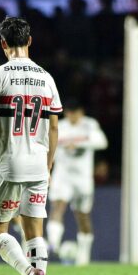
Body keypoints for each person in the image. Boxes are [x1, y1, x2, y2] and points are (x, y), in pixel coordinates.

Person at [0, 17, 62, 275]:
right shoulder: (46, 77)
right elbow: (54, 127)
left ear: (2, 43)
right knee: (34, 232)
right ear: (30, 41)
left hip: (8, 164)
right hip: (39, 164)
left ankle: (27, 272)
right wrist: (48, 165)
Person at [46, 100, 108, 265]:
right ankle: (53, 245)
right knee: (57, 207)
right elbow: (49, 147)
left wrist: (78, 143)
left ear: (81, 112)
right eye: (69, 113)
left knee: (82, 215)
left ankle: (84, 253)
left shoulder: (90, 125)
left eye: (75, 113)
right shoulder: (60, 126)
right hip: (63, 176)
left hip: (82, 178)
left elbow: (102, 142)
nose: (72, 116)